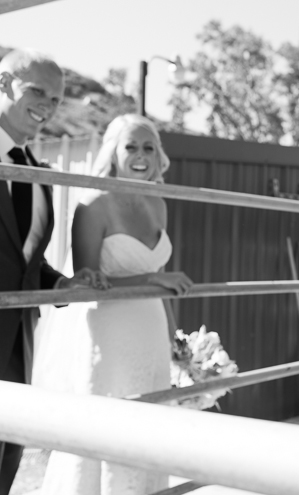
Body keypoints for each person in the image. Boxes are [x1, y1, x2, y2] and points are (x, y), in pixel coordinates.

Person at [39, 114, 193, 495]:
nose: (140, 156)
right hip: (109, 335)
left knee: (150, 423)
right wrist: (151, 280)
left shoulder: (158, 202)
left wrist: (176, 340)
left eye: (148, 147)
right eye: (131, 147)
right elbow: (87, 284)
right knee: (109, 425)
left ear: (158, 155)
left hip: (152, 329)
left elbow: (161, 279)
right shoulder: (94, 203)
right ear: (114, 152)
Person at [0, 49, 107, 495]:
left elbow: (25, 263)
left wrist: (62, 284)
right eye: (36, 91)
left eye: (57, 99)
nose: (47, 104)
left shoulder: (39, 172)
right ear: (3, 83)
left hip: (16, 346)